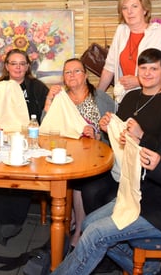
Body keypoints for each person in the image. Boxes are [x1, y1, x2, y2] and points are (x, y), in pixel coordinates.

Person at [52, 54, 161, 275]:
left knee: (95, 234)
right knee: (88, 223)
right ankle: (149, 268)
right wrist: (142, 140)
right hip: (156, 199)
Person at [42, 58, 115, 248]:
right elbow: (45, 127)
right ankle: (70, 221)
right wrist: (49, 100)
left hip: (94, 157)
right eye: (67, 72)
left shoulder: (101, 98)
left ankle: (79, 228)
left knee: (79, 182)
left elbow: (114, 133)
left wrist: (98, 134)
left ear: (85, 74)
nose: (72, 75)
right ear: (63, 77)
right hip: (64, 154)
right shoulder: (61, 98)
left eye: (76, 71)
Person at [0, 48, 49, 245]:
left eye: (22, 63)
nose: (18, 67)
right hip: (1, 140)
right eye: (14, 63)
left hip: (30, 141)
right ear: (6, 66)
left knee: (22, 177)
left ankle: (15, 221)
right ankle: (0, 219)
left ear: (28, 66)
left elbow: (47, 117)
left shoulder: (37, 87)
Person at [96, 0, 161, 102]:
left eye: (134, 6)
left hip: (156, 100)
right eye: (125, 8)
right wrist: (96, 98)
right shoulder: (121, 31)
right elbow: (109, 69)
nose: (129, 12)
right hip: (126, 100)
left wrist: (139, 81)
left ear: (145, 9)